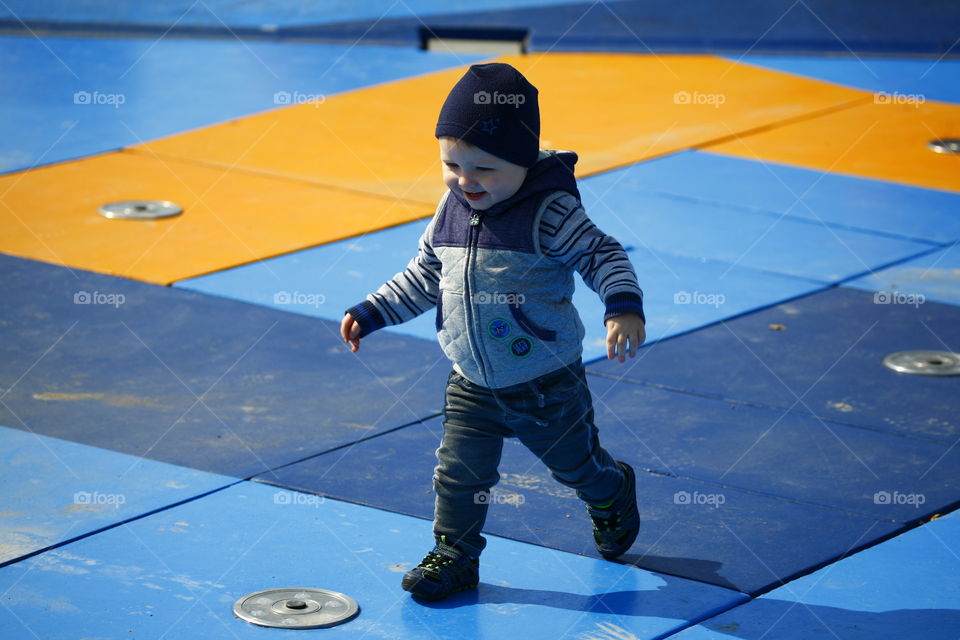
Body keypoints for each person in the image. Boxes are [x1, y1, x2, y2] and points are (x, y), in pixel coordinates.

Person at [340, 62, 646, 601]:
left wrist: (622, 307)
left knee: (576, 467)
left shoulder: (549, 214)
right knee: (459, 476)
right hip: (471, 380)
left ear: (524, 162)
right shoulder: (451, 210)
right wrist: (373, 310)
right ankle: (455, 554)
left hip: (544, 381)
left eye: (483, 168)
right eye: (451, 163)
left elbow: (603, 255)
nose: (465, 180)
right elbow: (425, 275)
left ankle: (612, 489)